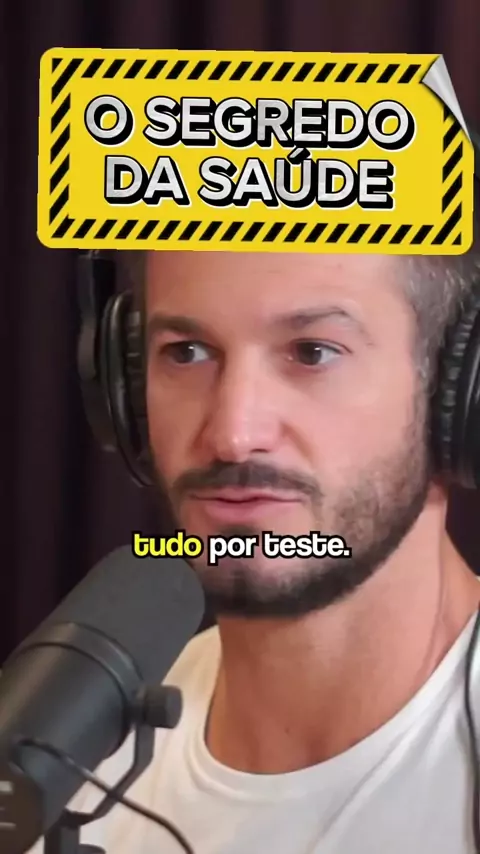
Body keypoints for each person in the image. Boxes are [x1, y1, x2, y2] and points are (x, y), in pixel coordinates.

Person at [31, 239, 480, 853]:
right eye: (186, 353)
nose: (233, 434)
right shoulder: (64, 766)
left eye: (312, 352)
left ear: (455, 395)